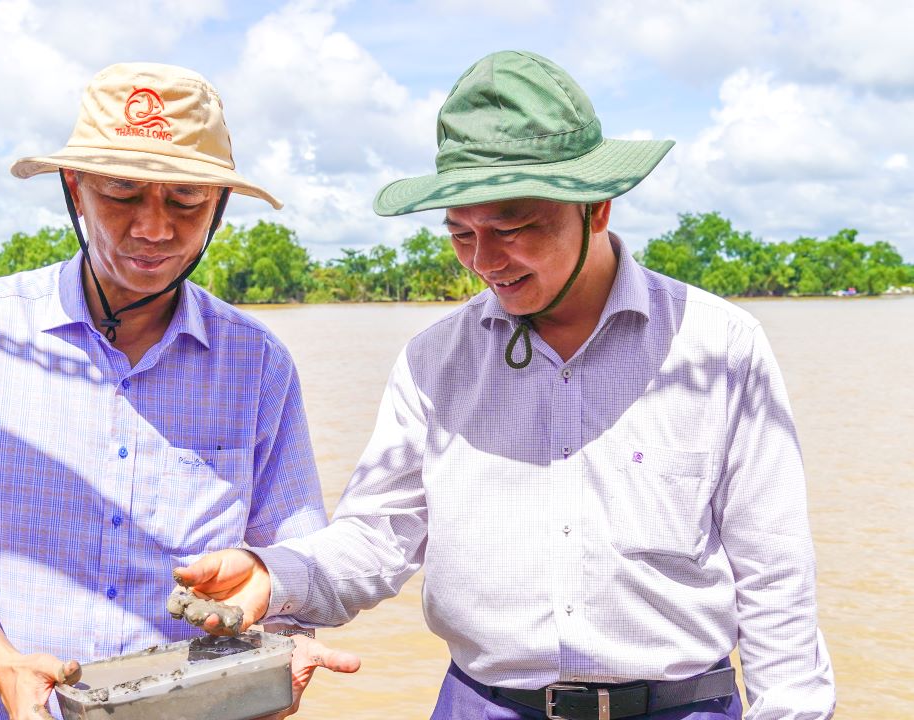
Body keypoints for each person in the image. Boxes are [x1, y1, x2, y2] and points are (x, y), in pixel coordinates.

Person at [176, 50, 836, 719]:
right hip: (484, 703)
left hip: (679, 705)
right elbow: (377, 538)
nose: (485, 261)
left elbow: (774, 573)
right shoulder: (435, 362)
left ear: (597, 207)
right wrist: (273, 573)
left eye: (514, 229)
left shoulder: (718, 346)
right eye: (462, 233)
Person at [0, 62, 356, 720]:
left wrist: (282, 652)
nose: (153, 227)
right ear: (75, 189)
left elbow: (291, 561)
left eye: (185, 200)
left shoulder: (258, 364)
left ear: (219, 204)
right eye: (123, 192)